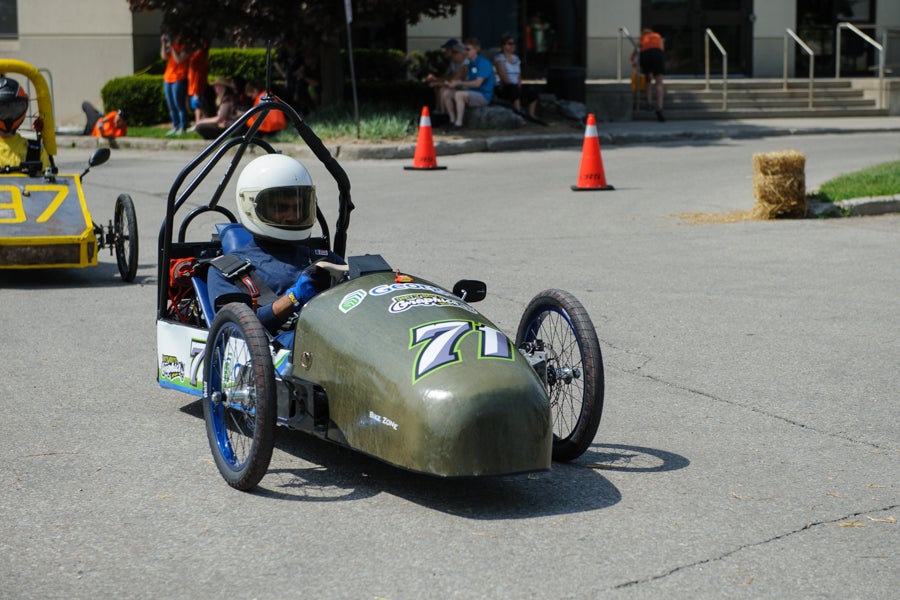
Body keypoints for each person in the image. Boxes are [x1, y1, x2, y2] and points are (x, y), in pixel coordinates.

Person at [206, 154, 344, 349]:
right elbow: (238, 330)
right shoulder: (228, 270)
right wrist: (293, 298)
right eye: (280, 208)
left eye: (298, 207)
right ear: (252, 207)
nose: (292, 216)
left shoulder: (321, 257)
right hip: (283, 348)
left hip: (339, 335)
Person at [0, 76, 50, 171]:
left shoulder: (36, 150)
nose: (8, 115)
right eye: (3, 110)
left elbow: (50, 183)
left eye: (14, 109)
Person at [446, 38, 495, 129]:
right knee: (448, 93)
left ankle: (459, 123)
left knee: (459, 94)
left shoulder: (483, 63)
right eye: (465, 49)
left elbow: (477, 83)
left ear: (476, 50)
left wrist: (459, 83)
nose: (465, 52)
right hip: (472, 92)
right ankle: (452, 120)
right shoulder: (471, 63)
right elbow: (467, 81)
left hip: (483, 95)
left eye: (468, 49)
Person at [493, 34, 539, 120]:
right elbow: (503, 75)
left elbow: (518, 75)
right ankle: (519, 115)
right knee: (514, 90)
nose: (512, 46)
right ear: (503, 46)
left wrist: (519, 86)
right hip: (503, 86)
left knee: (532, 90)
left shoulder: (516, 58)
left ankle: (531, 114)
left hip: (515, 85)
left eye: (513, 44)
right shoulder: (499, 58)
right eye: (509, 43)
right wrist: (514, 86)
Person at [426, 39, 468, 115]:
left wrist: (439, 82)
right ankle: (439, 111)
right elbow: (449, 76)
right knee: (439, 88)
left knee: (443, 89)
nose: (446, 51)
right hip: (457, 84)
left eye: (448, 49)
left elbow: (456, 78)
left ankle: (443, 113)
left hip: (464, 86)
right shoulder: (453, 62)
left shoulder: (465, 63)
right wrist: (437, 80)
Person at [632, 28, 666, 121]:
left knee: (648, 80)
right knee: (659, 83)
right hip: (657, 54)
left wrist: (633, 61)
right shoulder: (657, 36)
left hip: (645, 54)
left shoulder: (642, 38)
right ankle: (660, 107)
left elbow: (636, 50)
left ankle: (649, 103)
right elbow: (662, 48)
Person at [160, 31, 189, 136]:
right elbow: (164, 56)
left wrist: (172, 47)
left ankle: (183, 126)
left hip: (179, 78)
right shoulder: (172, 46)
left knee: (179, 104)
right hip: (168, 78)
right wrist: (163, 44)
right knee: (171, 105)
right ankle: (175, 126)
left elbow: (179, 60)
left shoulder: (185, 47)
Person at [187, 41, 210, 124]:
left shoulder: (200, 55)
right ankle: (198, 122)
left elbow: (192, 62)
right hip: (194, 85)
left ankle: (199, 122)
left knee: (198, 105)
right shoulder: (197, 55)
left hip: (197, 86)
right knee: (197, 105)